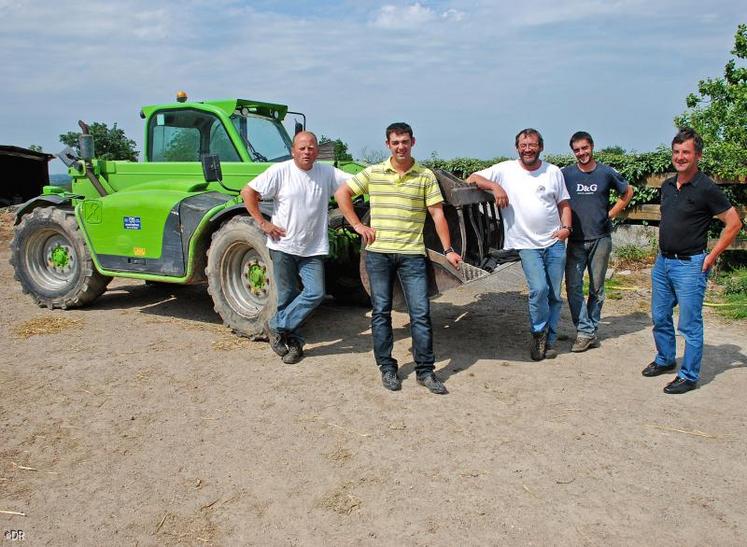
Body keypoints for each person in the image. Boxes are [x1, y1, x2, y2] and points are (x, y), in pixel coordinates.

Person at [335, 122, 462, 394]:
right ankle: (387, 368)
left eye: (405, 141)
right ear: (388, 145)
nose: (400, 146)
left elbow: (437, 214)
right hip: (378, 254)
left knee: (421, 313)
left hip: (412, 255)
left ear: (413, 142)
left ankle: (425, 371)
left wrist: (449, 249)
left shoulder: (425, 176)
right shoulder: (374, 173)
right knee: (381, 312)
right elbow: (342, 193)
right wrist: (358, 225)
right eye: (395, 142)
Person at [642, 127, 743, 394]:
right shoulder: (666, 185)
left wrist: (711, 256)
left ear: (697, 155)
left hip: (690, 265)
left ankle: (688, 375)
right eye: (676, 152)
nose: (680, 157)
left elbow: (734, 223)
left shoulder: (706, 188)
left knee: (689, 323)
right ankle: (665, 359)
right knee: (660, 315)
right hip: (663, 263)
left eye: (686, 152)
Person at [241, 131, 349, 364]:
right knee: (287, 297)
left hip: (312, 249)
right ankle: (294, 344)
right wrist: (263, 223)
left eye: (311, 147)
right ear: (293, 151)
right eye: (302, 148)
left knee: (315, 292)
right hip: (283, 247)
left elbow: (356, 182)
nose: (307, 151)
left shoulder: (327, 172)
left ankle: (275, 325)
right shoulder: (280, 171)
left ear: (317, 151)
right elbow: (247, 192)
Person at [466, 128, 572, 361]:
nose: (528, 149)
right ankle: (537, 333)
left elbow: (563, 203)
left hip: (554, 242)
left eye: (532, 145)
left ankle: (549, 340)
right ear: (517, 148)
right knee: (539, 289)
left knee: (554, 294)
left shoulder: (553, 171)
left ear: (540, 147)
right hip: (525, 244)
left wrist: (566, 228)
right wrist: (496, 187)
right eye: (523, 145)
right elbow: (472, 178)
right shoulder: (505, 170)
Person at [562, 131, 634, 352]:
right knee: (573, 286)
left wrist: (611, 213)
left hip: (600, 238)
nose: (581, 153)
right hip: (575, 240)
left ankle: (589, 330)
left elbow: (628, 191)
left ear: (592, 147)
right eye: (577, 150)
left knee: (596, 287)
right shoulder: (566, 174)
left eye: (584, 148)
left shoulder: (605, 173)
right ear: (573, 151)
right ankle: (585, 330)